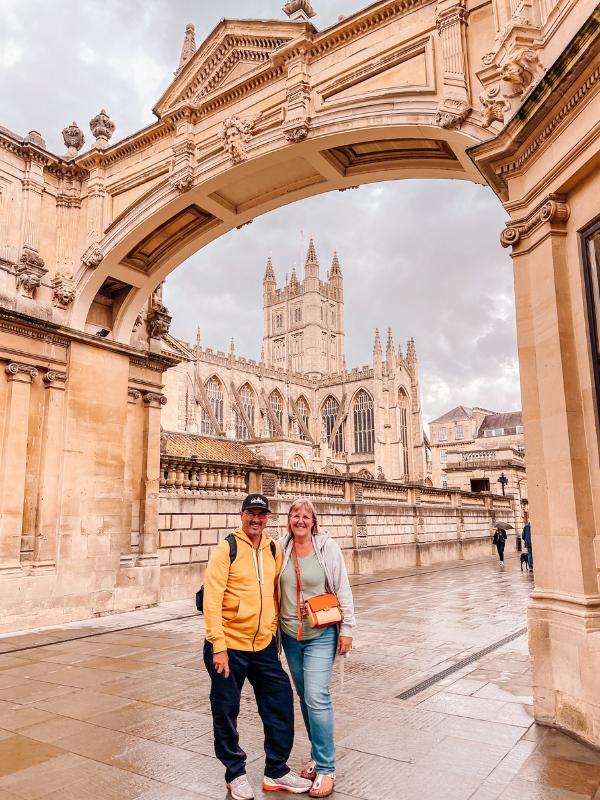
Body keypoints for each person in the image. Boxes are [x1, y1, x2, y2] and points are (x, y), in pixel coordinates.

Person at [203, 493, 312, 800]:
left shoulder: (273, 548)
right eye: (251, 513)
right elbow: (212, 600)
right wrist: (218, 647)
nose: (256, 519)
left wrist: (276, 630)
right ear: (242, 515)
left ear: (267, 518)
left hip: (263, 645)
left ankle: (276, 770)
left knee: (279, 703)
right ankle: (235, 774)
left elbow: (277, 592)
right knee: (226, 710)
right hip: (229, 646)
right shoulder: (227, 549)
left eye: (261, 515)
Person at [277, 498, 356, 798]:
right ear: (289, 520)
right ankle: (315, 753)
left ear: (314, 521)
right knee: (304, 696)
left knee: (316, 695)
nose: (300, 520)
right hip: (290, 634)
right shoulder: (280, 548)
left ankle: (326, 767)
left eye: (305, 516)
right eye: (295, 515)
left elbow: (342, 588)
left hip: (321, 632)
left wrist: (347, 630)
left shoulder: (328, 548)